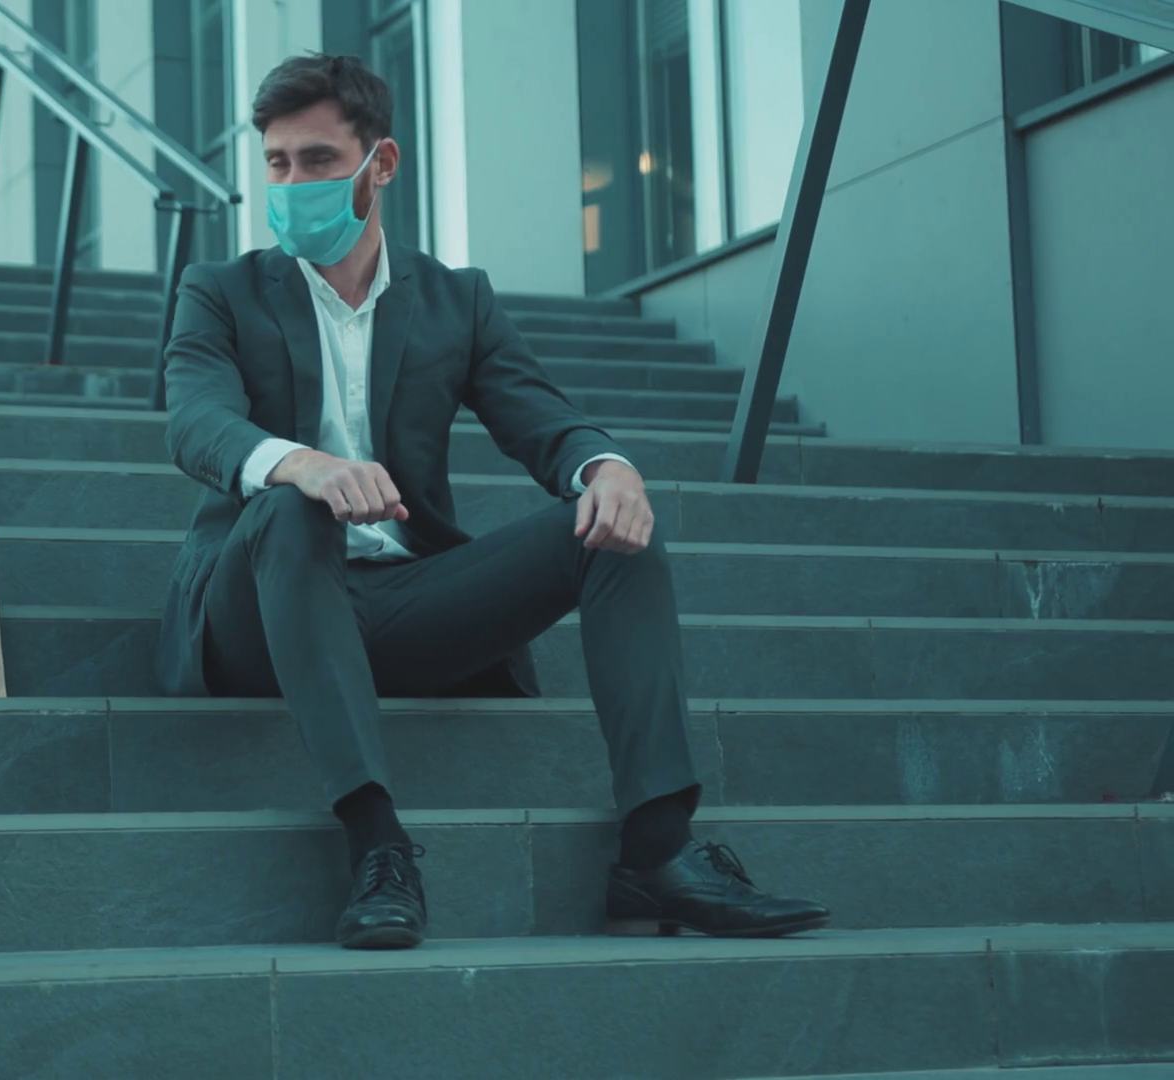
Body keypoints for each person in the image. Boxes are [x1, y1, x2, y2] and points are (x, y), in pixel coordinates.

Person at [156, 53, 829, 950]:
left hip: (402, 603)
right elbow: (196, 422)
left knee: (613, 527)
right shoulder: (220, 291)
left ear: (381, 164)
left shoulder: (455, 300)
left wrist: (608, 469)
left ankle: (659, 851)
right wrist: (301, 466)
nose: (292, 185)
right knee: (289, 509)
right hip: (259, 611)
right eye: (276, 163)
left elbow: (541, 418)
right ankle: (377, 847)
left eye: (318, 161)